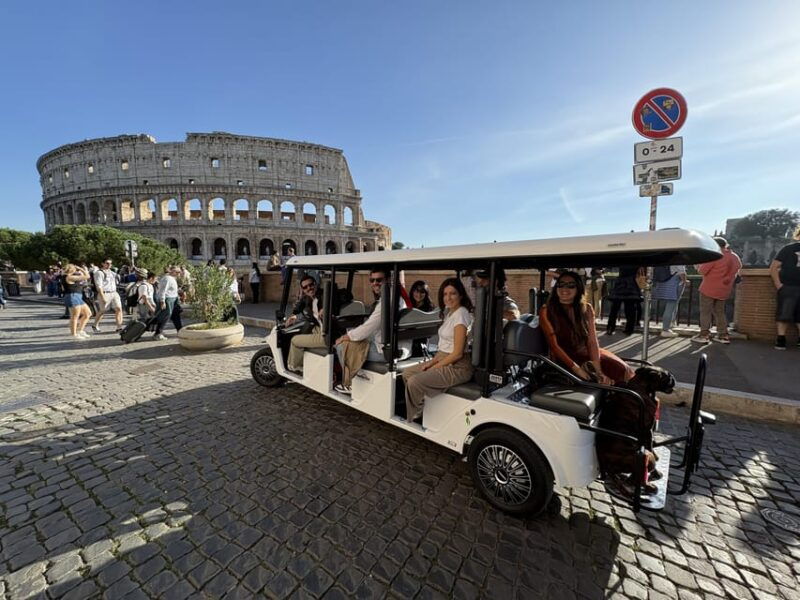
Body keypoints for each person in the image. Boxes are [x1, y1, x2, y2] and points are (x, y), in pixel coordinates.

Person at [540, 271, 634, 385]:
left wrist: (598, 370)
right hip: (563, 359)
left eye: (571, 285)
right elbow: (554, 346)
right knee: (594, 379)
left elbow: (592, 342)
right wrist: (577, 369)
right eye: (561, 284)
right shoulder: (547, 310)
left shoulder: (587, 309)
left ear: (578, 288)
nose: (564, 289)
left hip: (586, 354)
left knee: (622, 370)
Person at [402, 278, 474, 422]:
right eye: (445, 294)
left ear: (461, 295)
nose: (448, 298)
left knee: (414, 382)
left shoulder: (461, 314)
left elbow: (457, 353)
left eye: (453, 293)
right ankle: (421, 407)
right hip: (444, 358)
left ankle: (416, 416)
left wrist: (434, 367)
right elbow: (444, 347)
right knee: (407, 373)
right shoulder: (450, 313)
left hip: (458, 366)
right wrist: (431, 362)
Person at [334, 268, 401, 393]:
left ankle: (349, 383)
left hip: (387, 352)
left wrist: (345, 337)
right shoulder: (396, 295)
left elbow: (369, 326)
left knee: (341, 346)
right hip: (400, 347)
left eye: (379, 280)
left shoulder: (387, 300)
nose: (375, 283)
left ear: (388, 280)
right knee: (355, 338)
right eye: (372, 280)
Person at [692, 237, 742, 345]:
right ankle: (723, 335)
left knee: (705, 312)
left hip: (708, 288)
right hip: (724, 289)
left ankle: (704, 335)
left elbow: (702, 271)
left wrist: (698, 266)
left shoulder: (715, 256)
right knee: (720, 312)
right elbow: (738, 268)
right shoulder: (734, 257)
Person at [286, 274, 326, 373]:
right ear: (303, 290)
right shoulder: (309, 298)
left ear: (315, 284)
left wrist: (326, 308)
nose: (309, 288)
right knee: (307, 330)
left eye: (311, 285)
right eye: (305, 287)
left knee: (295, 340)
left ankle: (295, 367)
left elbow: (338, 296)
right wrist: (294, 315)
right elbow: (300, 304)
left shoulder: (326, 295)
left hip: (327, 334)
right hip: (320, 328)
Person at [769, 225, 800, 350]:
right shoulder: (788, 249)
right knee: (784, 314)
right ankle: (781, 339)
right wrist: (779, 285)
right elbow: (774, 267)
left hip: (788, 287)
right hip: (788, 286)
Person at [606, 266, 642, 336]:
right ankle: (629, 329)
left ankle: (610, 328)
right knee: (630, 309)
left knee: (614, 308)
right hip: (631, 283)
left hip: (620, 283)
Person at [652, 265, 686, 338]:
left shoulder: (664, 259)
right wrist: (685, 281)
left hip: (662, 284)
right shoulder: (677, 260)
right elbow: (681, 272)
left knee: (668, 306)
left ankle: (669, 324)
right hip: (673, 284)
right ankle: (666, 329)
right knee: (671, 307)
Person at [92, 258, 123, 333]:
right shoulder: (99, 273)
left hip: (114, 292)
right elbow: (99, 286)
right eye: (107, 263)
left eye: (110, 263)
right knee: (102, 311)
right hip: (105, 293)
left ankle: (119, 327)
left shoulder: (112, 272)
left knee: (119, 308)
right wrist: (103, 297)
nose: (109, 265)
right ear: (103, 263)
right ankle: (95, 325)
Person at [63, 264, 92, 339]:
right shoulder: (69, 277)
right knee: (75, 316)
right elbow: (87, 276)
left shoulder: (69, 276)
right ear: (71, 269)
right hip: (72, 296)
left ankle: (80, 330)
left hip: (77, 296)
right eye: (74, 268)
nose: (76, 270)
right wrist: (81, 269)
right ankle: (74, 334)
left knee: (88, 314)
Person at [153, 266, 179, 340]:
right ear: (172, 271)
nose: (178, 274)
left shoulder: (172, 278)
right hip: (168, 299)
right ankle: (158, 333)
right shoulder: (167, 279)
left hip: (172, 299)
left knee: (172, 315)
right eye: (177, 272)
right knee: (164, 316)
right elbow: (163, 290)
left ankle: (159, 332)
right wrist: (162, 301)